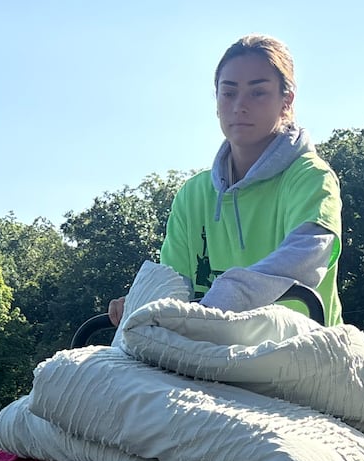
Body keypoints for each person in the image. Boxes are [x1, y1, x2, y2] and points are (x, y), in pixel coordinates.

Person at [108, 33, 342, 327]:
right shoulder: (193, 194)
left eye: (257, 93)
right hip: (209, 356)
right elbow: (171, 283)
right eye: (228, 92)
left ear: (286, 101)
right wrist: (142, 303)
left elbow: (305, 258)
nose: (239, 105)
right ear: (216, 100)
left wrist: (220, 301)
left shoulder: (310, 177)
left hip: (299, 355)